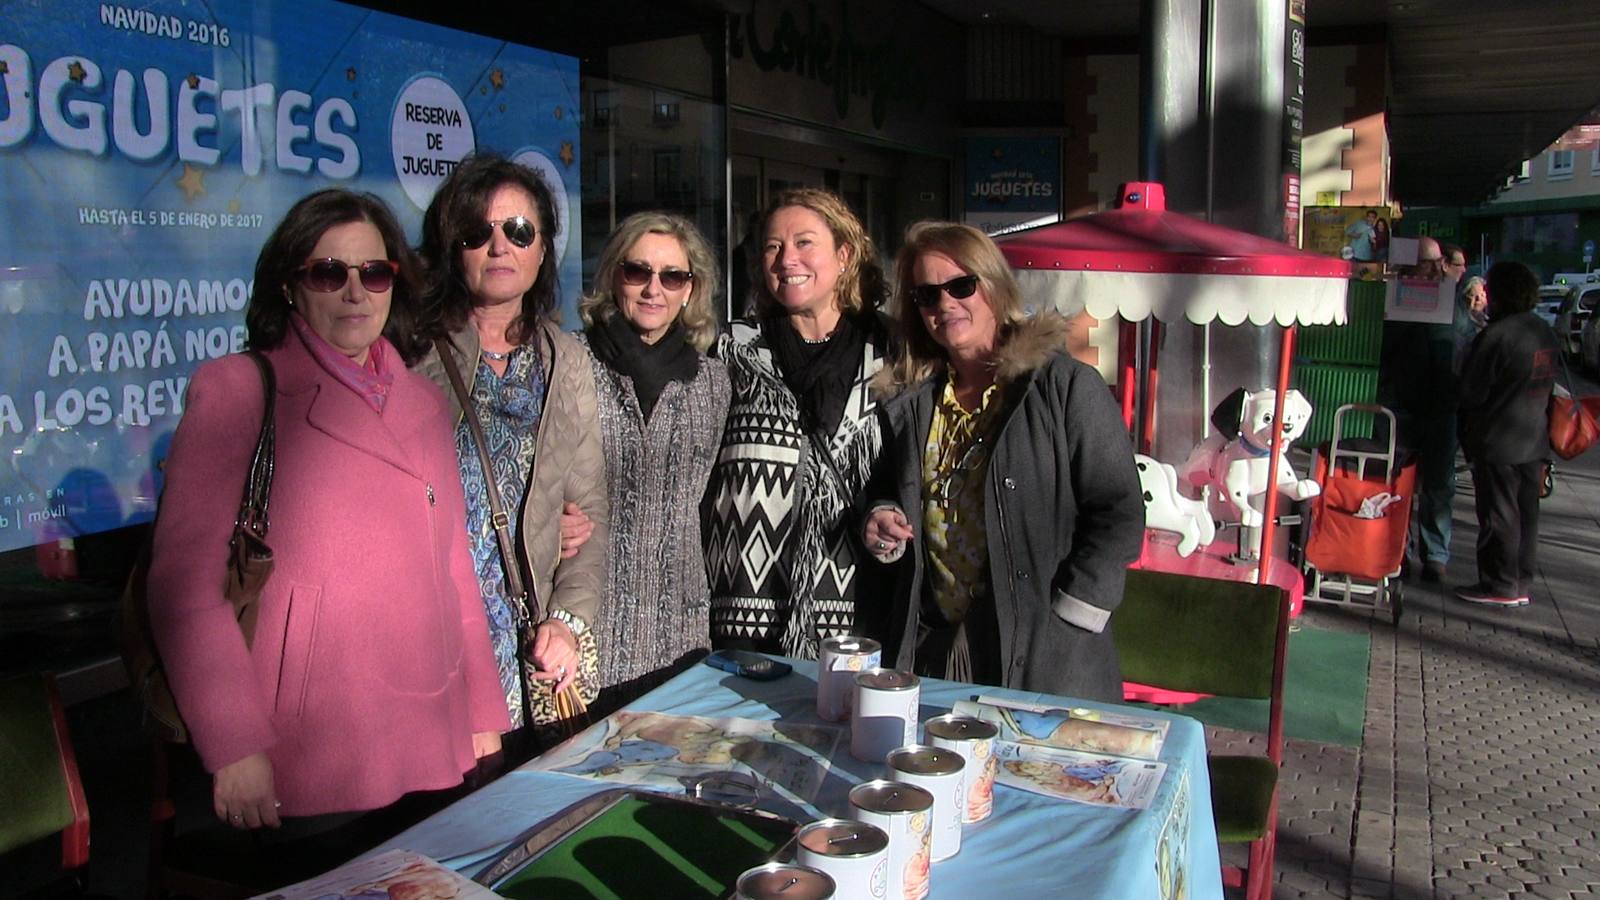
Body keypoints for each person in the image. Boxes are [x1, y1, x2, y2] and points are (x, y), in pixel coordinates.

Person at [145, 190, 507, 861]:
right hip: (308, 750)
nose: (354, 292)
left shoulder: (423, 402)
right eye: (327, 272)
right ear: (289, 285)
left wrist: (483, 713)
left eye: (374, 272)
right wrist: (234, 744)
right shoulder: (237, 389)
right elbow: (184, 587)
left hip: (429, 730)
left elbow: (454, 568)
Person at [862, 222, 1143, 700]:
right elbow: (890, 487)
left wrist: (1074, 613)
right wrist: (881, 516)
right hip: (939, 647)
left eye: (960, 286)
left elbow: (1119, 509)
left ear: (993, 285)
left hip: (1045, 651)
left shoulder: (1064, 386)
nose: (945, 303)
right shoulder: (913, 400)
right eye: (927, 295)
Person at [414, 153, 607, 752]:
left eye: (519, 231)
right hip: (435, 640)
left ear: (544, 248)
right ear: (452, 248)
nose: (500, 246)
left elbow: (588, 510)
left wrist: (568, 625)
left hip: (530, 640)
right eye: (478, 233)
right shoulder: (410, 352)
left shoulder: (565, 359)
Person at [704, 187, 894, 659]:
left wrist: (886, 510)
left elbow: (910, 465)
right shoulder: (732, 351)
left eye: (804, 242)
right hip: (746, 613)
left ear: (844, 255)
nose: (787, 258)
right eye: (773, 246)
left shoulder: (891, 353)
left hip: (858, 613)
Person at [574, 212, 731, 712]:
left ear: (691, 290)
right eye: (637, 272)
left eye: (672, 276)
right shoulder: (570, 362)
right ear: (613, 277)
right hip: (583, 631)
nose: (653, 289)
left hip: (677, 633)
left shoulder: (714, 382)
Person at [1455, 262, 1561, 607]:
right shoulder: (1542, 330)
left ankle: (1498, 583)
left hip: (1497, 440)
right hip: (1534, 438)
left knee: (1499, 514)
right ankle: (1519, 581)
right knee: (1526, 514)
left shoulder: (1496, 336)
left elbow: (1472, 392)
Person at [1377, 235, 1459, 581]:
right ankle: (1401, 551)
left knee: (1438, 485)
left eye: (1438, 262)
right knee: (1397, 484)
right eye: (1429, 262)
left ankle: (1435, 556)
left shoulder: (1452, 303)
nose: (1436, 269)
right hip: (1401, 405)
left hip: (1440, 407)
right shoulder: (1392, 301)